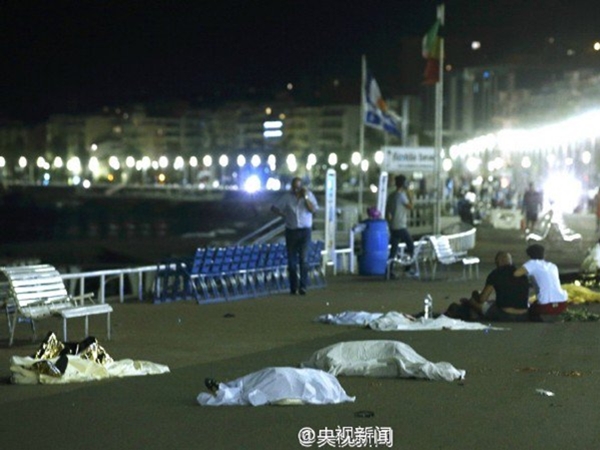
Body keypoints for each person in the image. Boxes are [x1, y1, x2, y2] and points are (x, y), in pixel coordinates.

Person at [444, 251, 530, 322]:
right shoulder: (523, 275)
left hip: (504, 315)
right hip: (523, 315)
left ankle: (468, 307)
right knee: (492, 303)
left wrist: (474, 297)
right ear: (510, 261)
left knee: (473, 301)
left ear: (498, 262)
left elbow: (482, 299)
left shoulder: (495, 274)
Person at [271, 177, 318, 295]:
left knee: (304, 259)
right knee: (292, 262)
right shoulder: (287, 197)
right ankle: (293, 286)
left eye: (299, 187)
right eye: (295, 187)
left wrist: (305, 197)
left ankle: (303, 286)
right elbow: (274, 207)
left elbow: (313, 209)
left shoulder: (309, 195)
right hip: (291, 231)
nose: (297, 190)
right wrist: (284, 215)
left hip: (305, 231)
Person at [514, 244, 568, 319]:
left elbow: (516, 274)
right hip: (562, 303)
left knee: (530, 311)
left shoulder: (532, 263)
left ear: (529, 255)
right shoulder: (552, 266)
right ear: (544, 254)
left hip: (546, 306)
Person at [385, 174, 414, 274]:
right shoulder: (401, 196)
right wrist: (409, 194)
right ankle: (407, 268)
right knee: (410, 245)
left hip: (393, 226)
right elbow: (410, 206)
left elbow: (387, 211)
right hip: (400, 226)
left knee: (393, 250)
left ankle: (389, 270)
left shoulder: (391, 196)